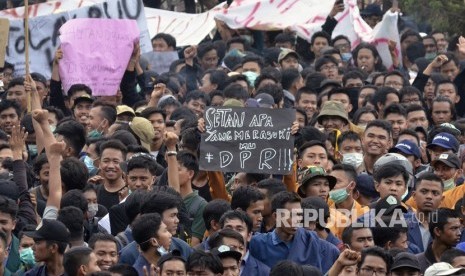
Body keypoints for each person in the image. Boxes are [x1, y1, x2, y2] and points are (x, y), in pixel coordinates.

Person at [249, 191, 339, 273]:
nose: (297, 220)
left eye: (299, 215)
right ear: (276, 216)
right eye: (291, 215)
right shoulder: (258, 243)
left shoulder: (310, 240)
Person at [219, 210, 270, 276]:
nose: (233, 233)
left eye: (239, 229)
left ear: (249, 236)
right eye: (229, 228)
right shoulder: (209, 265)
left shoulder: (263, 272)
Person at [416, 208, 461, 273]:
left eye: (459, 228)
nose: (459, 233)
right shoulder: (417, 262)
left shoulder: (462, 259)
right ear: (437, 231)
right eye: (454, 228)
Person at [95, 140, 127, 210]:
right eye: (106, 161)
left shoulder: (129, 194)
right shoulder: (94, 193)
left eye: (116, 162)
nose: (110, 166)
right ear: (100, 163)